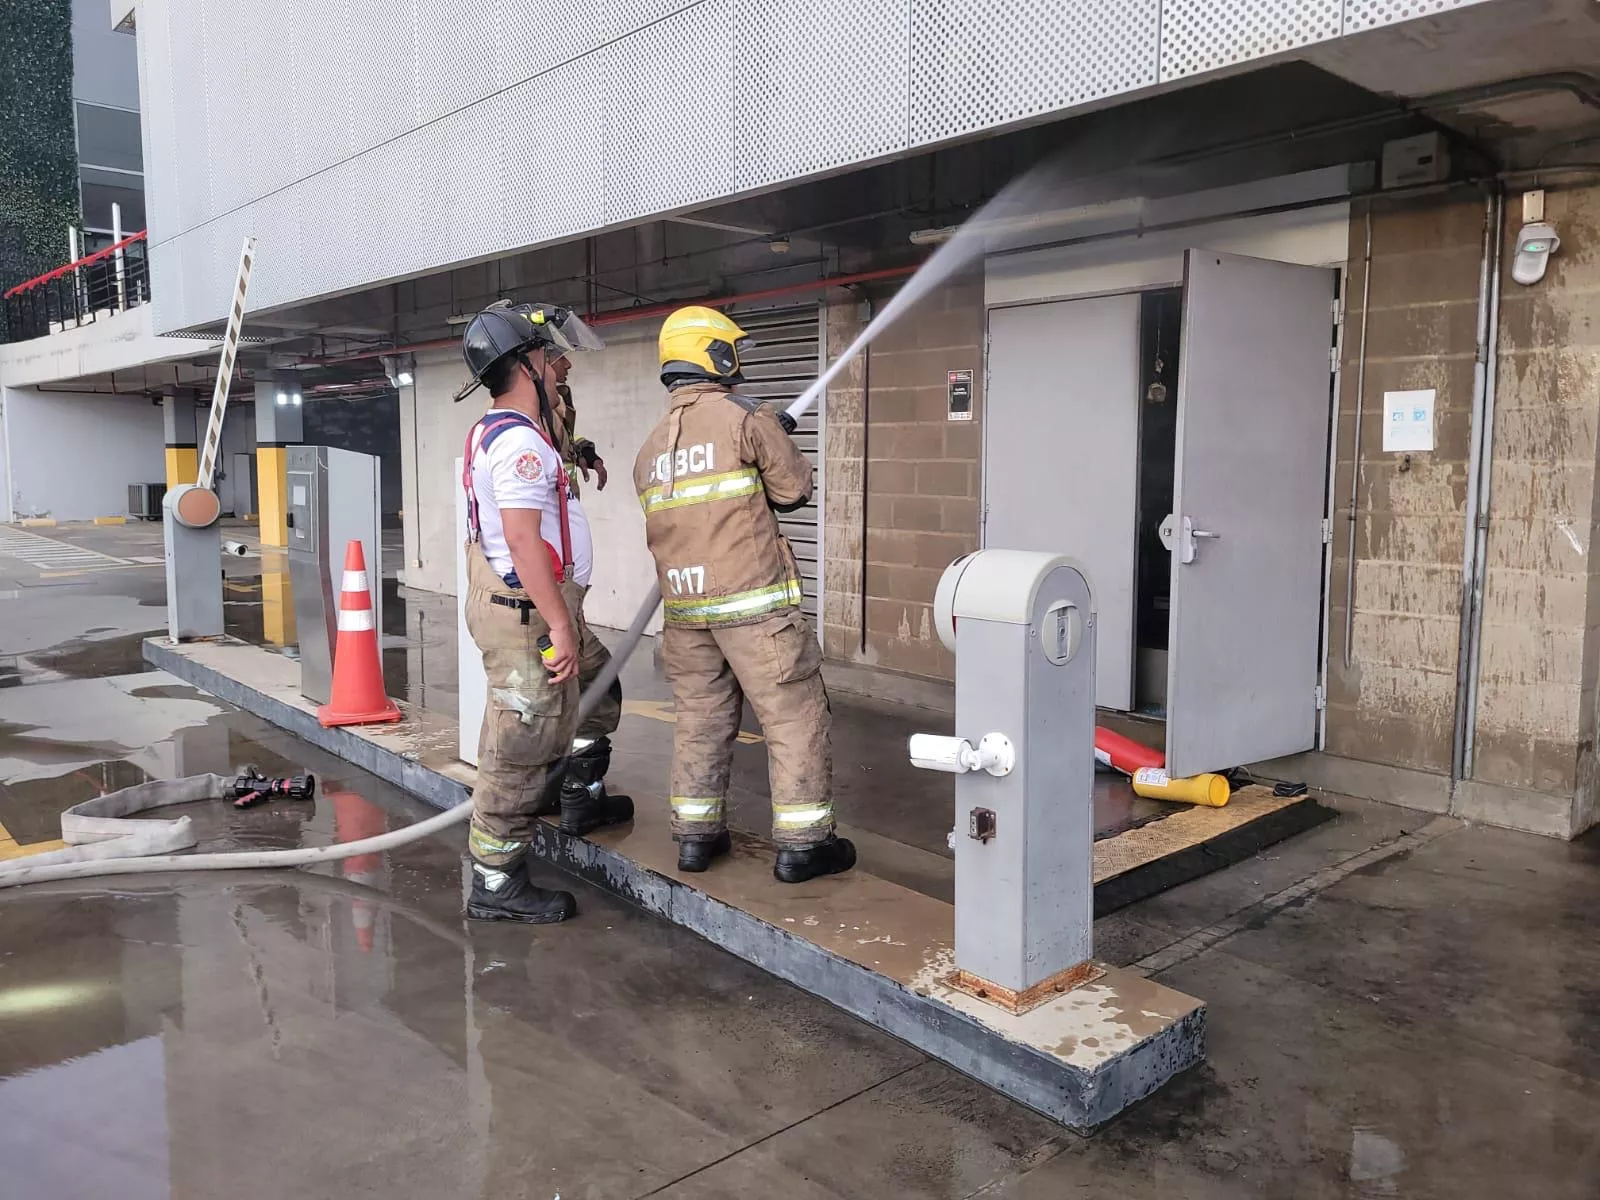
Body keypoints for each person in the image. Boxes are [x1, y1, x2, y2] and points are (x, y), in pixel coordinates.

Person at [633, 305, 855, 883]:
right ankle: (805, 846)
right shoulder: (745, 418)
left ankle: (695, 839)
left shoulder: (650, 448)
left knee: (700, 720)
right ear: (714, 354)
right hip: (755, 610)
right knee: (794, 716)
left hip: (685, 615)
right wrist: (775, 435)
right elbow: (793, 491)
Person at [456, 300, 633, 923]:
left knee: (598, 687)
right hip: (531, 613)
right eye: (546, 354)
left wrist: (578, 451)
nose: (560, 366)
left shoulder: (508, 431)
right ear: (525, 365)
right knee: (521, 743)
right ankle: (496, 881)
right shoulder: (519, 444)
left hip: (540, 606)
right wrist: (559, 623)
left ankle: (577, 793)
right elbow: (523, 539)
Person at [548, 353, 609, 494]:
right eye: (560, 357)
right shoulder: (532, 408)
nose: (568, 364)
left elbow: (562, 439)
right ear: (542, 362)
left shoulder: (557, 400)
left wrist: (585, 453)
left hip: (566, 502)